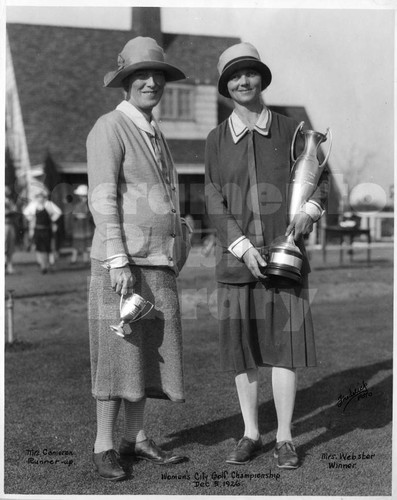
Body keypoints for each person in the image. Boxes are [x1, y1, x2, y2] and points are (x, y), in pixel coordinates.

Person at [205, 43, 329, 469]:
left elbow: (320, 181)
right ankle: (250, 433)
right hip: (237, 263)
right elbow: (213, 199)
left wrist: (310, 211)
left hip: (285, 259)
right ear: (226, 87)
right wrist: (240, 247)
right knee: (244, 351)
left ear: (261, 78)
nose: (243, 81)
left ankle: (286, 438)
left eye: (250, 73)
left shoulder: (293, 129)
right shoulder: (215, 139)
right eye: (235, 76)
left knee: (284, 349)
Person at [87, 36, 191, 481]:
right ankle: (104, 445)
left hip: (158, 262)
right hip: (123, 263)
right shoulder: (110, 126)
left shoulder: (156, 131)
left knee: (144, 356)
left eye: (157, 75)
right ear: (125, 82)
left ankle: (137, 436)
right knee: (116, 352)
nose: (150, 82)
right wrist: (117, 259)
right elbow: (103, 196)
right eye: (140, 76)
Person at [23, 188, 62, 274]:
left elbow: (58, 212)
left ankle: (46, 265)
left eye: (42, 196)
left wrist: (52, 219)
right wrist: (31, 218)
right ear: (36, 197)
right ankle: (42, 265)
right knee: (39, 248)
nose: (40, 198)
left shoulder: (48, 204)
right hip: (37, 229)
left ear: (44, 197)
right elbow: (26, 212)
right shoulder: (33, 205)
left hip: (47, 229)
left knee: (46, 248)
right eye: (38, 197)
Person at [70, 184, 94, 264]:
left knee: (85, 244)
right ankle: (76, 259)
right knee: (78, 244)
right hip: (80, 228)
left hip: (85, 227)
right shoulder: (81, 205)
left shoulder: (87, 205)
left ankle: (84, 259)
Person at [5, 186, 18, 274]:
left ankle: (9, 265)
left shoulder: (10, 201)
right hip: (4, 225)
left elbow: (15, 210)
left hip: (10, 224)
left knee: (10, 246)